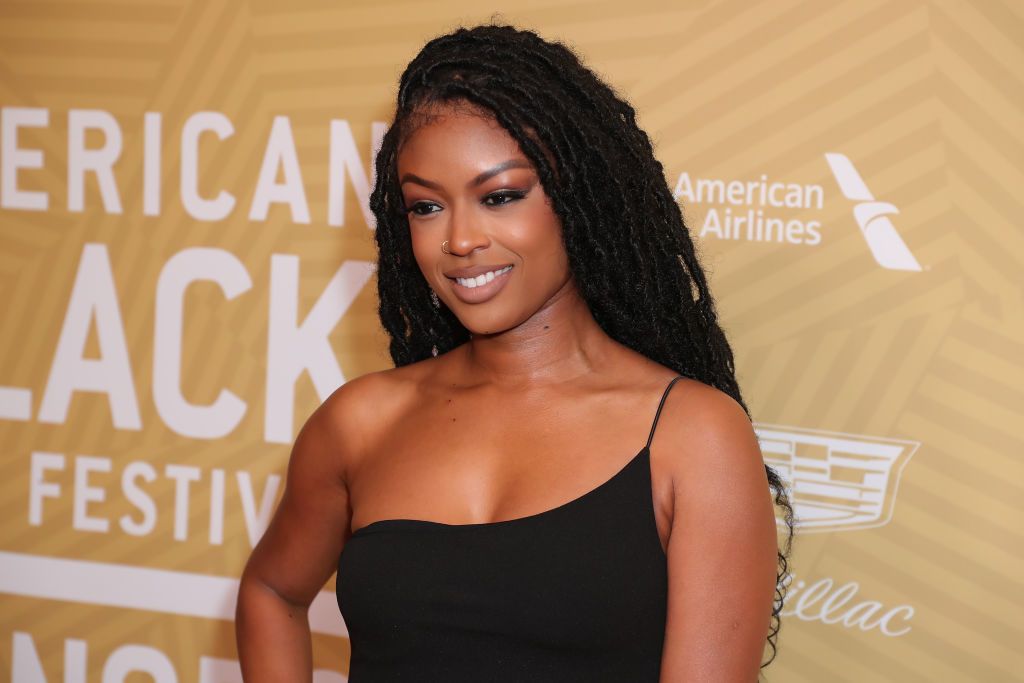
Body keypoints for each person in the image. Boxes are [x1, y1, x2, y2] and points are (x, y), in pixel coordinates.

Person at [236, 22, 794, 682]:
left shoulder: (693, 436)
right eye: (425, 207)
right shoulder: (361, 422)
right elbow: (270, 591)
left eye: (500, 196)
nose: (461, 239)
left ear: (577, 196)